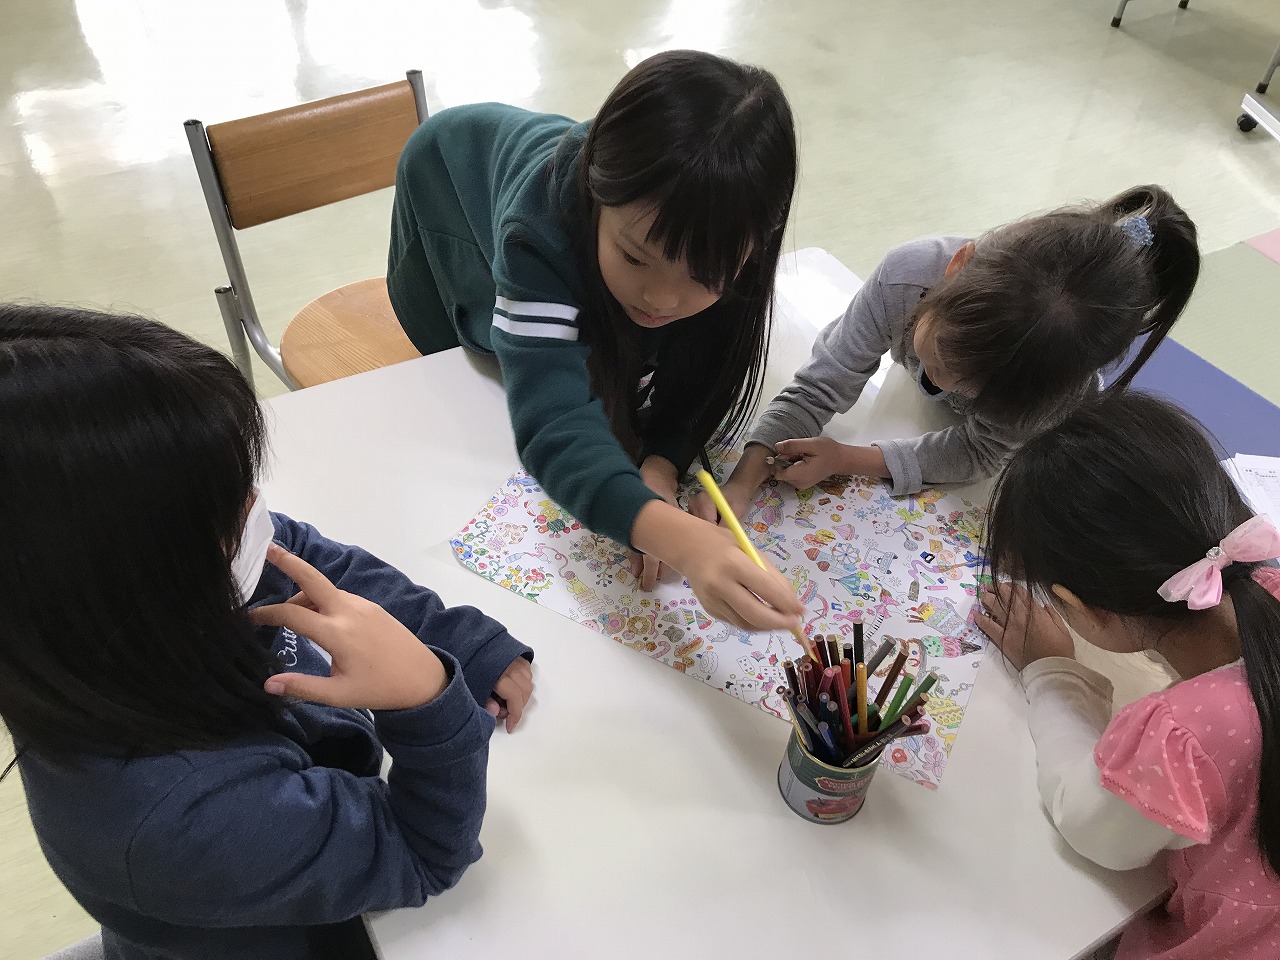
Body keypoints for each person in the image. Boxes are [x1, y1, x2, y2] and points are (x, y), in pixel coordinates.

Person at [0, 304, 534, 960]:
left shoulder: (103, 618)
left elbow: (302, 559)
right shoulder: (180, 818)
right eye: (229, 510)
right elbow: (423, 852)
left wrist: (460, 641)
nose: (257, 509)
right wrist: (427, 701)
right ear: (125, 578)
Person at [387, 49, 802, 630]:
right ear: (595, 194)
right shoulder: (536, 233)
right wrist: (683, 540)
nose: (662, 299)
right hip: (447, 194)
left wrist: (661, 464)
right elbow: (552, 425)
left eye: (703, 279)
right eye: (634, 257)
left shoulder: (722, 231)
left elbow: (702, 368)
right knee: (474, 368)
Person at [976, 391, 1280, 960]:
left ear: (1080, 607)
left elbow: (1093, 828)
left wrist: (1051, 672)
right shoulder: (1267, 590)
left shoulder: (1183, 733)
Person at [705, 186, 1200, 519]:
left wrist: (846, 458)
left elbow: (981, 449)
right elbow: (822, 383)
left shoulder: (1053, 387)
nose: (944, 384)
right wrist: (742, 483)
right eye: (942, 358)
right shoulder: (906, 277)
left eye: (973, 386)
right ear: (956, 268)